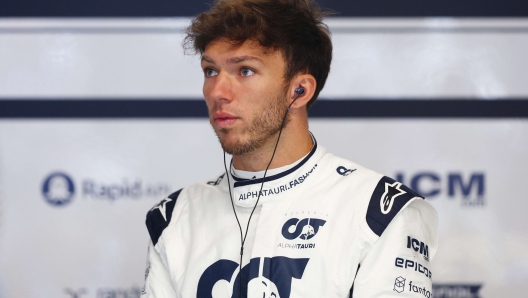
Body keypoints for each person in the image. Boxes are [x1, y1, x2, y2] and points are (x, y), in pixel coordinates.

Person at [141, 0, 438, 297]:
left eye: (244, 70)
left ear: (299, 91)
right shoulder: (174, 217)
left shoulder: (379, 213)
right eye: (210, 71)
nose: (218, 92)